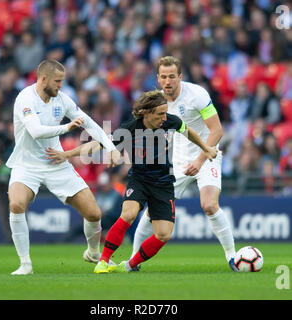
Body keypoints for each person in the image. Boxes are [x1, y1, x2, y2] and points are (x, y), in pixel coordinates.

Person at [47, 90, 217, 273]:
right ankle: (103, 261)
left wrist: (205, 148)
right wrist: (67, 154)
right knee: (128, 214)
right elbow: (97, 143)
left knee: (163, 234)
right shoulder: (129, 129)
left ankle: (128, 266)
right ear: (146, 112)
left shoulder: (171, 121)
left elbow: (187, 130)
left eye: (165, 112)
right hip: (139, 180)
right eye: (160, 113)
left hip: (163, 183)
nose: (164, 117)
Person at [6, 59, 120, 275]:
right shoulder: (25, 99)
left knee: (94, 213)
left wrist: (110, 147)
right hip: (26, 165)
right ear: (43, 79)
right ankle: (25, 264)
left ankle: (94, 253)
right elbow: (36, 131)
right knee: (16, 204)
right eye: (57, 81)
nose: (61, 85)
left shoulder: (62, 99)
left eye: (62, 81)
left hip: (56, 162)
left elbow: (89, 123)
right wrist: (66, 127)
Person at [131, 56, 238, 271]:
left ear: (180, 77)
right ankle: (133, 261)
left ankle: (232, 257)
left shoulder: (197, 95)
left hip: (207, 154)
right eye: (163, 77)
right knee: (152, 211)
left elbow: (217, 130)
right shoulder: (155, 102)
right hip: (177, 161)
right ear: (158, 78)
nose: (168, 81)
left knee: (209, 205)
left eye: (172, 76)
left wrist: (199, 160)